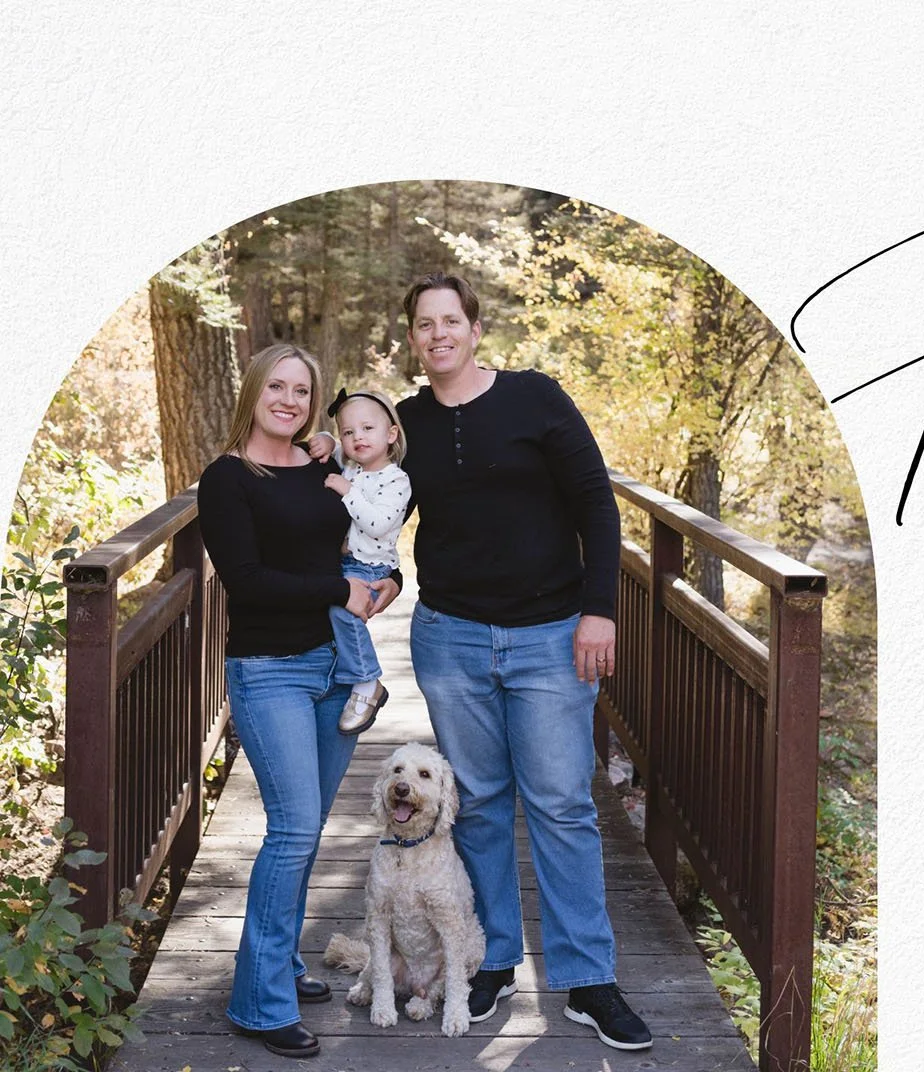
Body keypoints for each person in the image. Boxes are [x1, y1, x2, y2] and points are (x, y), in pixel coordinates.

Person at [391, 272, 651, 1050]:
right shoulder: (406, 424)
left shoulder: (537, 397)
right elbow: (370, 509)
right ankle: (493, 959)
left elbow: (596, 506)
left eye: (450, 320)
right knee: (478, 806)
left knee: (563, 804)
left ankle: (585, 979)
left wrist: (598, 610)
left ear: (475, 328)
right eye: (423, 325)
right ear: (413, 339)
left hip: (548, 637)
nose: (438, 334)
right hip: (451, 639)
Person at [197, 344, 398, 1059]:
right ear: (253, 391)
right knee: (292, 828)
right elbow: (247, 581)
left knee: (306, 830)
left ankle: (278, 964)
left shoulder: (323, 466)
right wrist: (336, 591)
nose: (288, 399)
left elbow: (363, 544)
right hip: (269, 668)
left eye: (302, 390)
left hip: (335, 668)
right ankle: (257, 1002)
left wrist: (382, 589)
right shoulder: (226, 479)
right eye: (276, 386)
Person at [322, 387, 412, 735]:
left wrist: (348, 492)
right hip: (343, 563)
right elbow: (331, 450)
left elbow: (378, 523)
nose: (357, 437)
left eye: (367, 429)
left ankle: (366, 681)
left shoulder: (396, 480)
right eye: (348, 432)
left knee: (342, 612)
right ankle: (338, 680)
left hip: (370, 567)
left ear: (391, 435)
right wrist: (326, 442)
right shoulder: (351, 470)